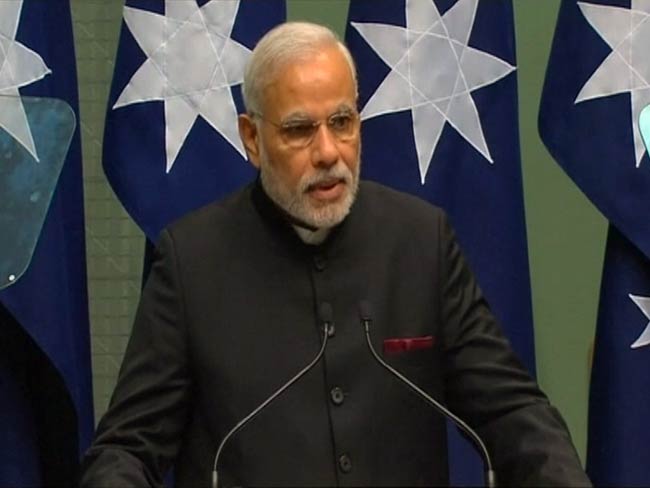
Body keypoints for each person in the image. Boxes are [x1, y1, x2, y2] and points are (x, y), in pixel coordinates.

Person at [80, 22, 591, 487]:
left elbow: (511, 411)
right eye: (300, 130)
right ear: (253, 138)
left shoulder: (419, 241)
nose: (328, 152)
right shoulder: (192, 261)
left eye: (342, 122)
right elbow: (127, 449)